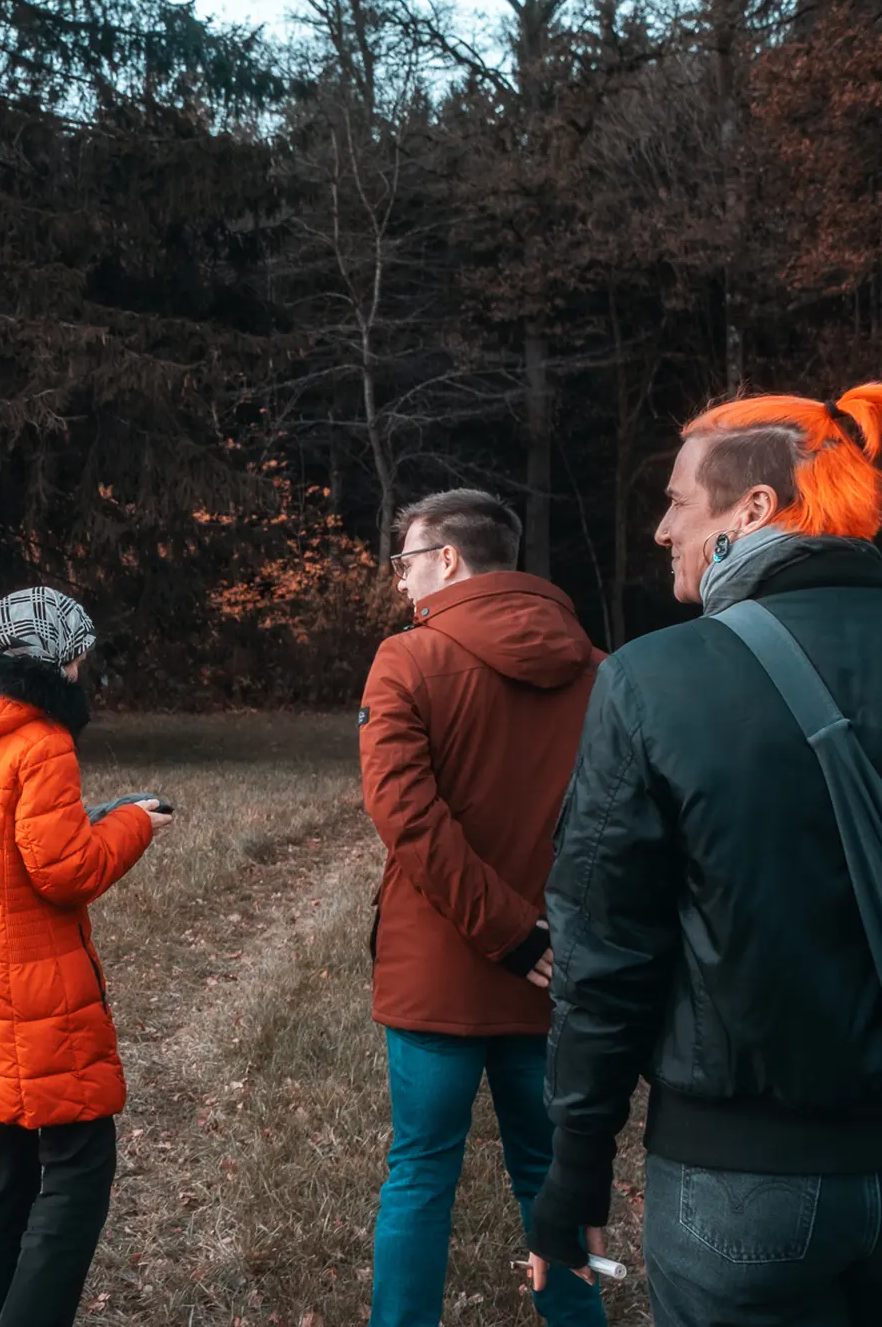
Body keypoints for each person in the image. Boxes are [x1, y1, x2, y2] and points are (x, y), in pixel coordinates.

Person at [528, 384, 882, 1324]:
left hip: (745, 1175)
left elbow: (605, 954)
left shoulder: (656, 679)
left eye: (679, 501)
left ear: (753, 509)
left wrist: (576, 1170)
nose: (658, 529)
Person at [357, 488, 607, 1327]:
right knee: (552, 1169)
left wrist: (502, 932)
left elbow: (404, 814)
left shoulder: (407, 659)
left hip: (443, 972)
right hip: (556, 965)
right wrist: (543, 933)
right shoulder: (598, 667)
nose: (402, 585)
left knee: (423, 1167)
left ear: (449, 561)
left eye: (407, 562)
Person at [0, 587, 173, 1327]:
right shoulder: (39, 737)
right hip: (32, 994)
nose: (83, 673)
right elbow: (67, 871)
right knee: (82, 1167)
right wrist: (132, 823)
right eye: (78, 657)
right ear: (51, 659)